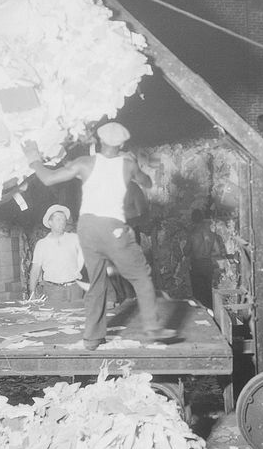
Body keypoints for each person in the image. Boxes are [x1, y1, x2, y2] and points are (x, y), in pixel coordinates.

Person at [23, 121, 179, 350]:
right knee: (140, 276)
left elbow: (48, 178)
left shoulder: (85, 163)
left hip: (87, 227)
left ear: (99, 140)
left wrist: (34, 160)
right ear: (123, 143)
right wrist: (136, 167)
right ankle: (153, 327)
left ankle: (92, 337)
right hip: (112, 228)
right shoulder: (127, 165)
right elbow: (147, 182)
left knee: (96, 282)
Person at [27, 204, 85, 306]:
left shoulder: (75, 239)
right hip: (53, 291)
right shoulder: (42, 244)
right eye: (58, 219)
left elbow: (89, 260)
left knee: (76, 319)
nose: (62, 222)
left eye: (63, 219)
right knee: (55, 320)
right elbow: (35, 270)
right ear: (50, 223)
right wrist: (32, 292)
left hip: (75, 289)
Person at [183, 208, 230, 309]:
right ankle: (211, 314)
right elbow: (217, 252)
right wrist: (207, 253)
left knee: (198, 295)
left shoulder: (192, 235)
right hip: (208, 265)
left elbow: (185, 252)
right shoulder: (211, 234)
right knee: (208, 292)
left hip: (197, 266)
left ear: (193, 220)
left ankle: (202, 315)